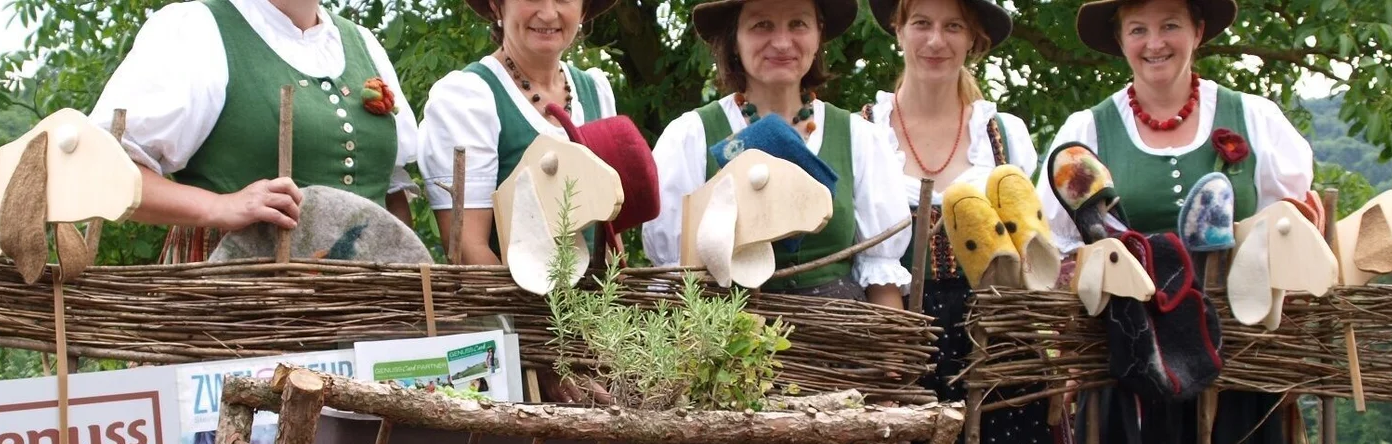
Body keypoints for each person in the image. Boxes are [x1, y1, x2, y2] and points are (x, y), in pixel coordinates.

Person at [1033, 1, 1315, 444]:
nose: (1154, 42)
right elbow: (1056, 256)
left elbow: (1298, 226)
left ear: (1197, 32)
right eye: (1138, 28)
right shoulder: (1087, 132)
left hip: (1241, 376)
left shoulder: (1256, 119)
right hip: (1129, 375)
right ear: (1120, 39)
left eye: (1169, 25)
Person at [861, 1, 1060, 444]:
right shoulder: (864, 131)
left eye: (952, 26)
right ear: (897, 29)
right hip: (902, 336)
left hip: (1000, 340)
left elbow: (1036, 250)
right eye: (921, 22)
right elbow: (870, 258)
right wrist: (886, 364)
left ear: (973, 39)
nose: (935, 40)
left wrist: (1054, 356)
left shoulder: (1004, 133)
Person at [91, 0, 420, 259]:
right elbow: (103, 173)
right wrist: (218, 207)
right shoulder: (196, 30)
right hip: (244, 303)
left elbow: (392, 196)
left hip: (369, 308)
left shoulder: (363, 44)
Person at [643, 0, 912, 310]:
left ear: (818, 34)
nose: (782, 43)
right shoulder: (690, 137)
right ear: (734, 39)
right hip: (727, 347)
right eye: (762, 25)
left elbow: (883, 281)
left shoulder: (859, 138)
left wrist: (887, 357)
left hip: (839, 344)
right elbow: (675, 286)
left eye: (798, 24)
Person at [418, 0, 620, 265]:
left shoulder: (596, 90)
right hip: (505, 303)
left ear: (583, 9)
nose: (548, 14)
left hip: (600, 304)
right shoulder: (466, 99)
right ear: (497, 5)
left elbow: (613, 235)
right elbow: (470, 251)